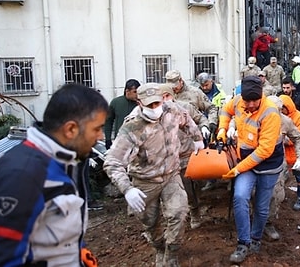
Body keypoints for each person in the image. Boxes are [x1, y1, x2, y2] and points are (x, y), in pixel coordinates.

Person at [0, 84, 108, 266]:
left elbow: (51, 232)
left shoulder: (59, 162)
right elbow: (1, 259)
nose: (101, 136)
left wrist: (78, 253)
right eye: (97, 128)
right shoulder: (23, 175)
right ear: (70, 130)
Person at [104, 83, 204, 267]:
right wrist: (127, 189)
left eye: (157, 103)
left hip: (171, 175)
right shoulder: (132, 127)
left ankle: (171, 253)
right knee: (150, 223)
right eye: (149, 105)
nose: (154, 108)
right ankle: (159, 247)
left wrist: (197, 138)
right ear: (139, 102)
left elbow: (186, 119)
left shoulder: (172, 110)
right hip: (145, 181)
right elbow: (112, 161)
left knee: (179, 213)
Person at [216, 76, 283, 263]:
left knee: (261, 208)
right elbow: (225, 110)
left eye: (256, 100)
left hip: (268, 164)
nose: (252, 104)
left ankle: (256, 238)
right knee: (240, 196)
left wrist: (237, 169)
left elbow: (264, 151)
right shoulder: (238, 101)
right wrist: (222, 129)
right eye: (248, 101)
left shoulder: (270, 113)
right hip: (245, 160)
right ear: (242, 97)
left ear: (261, 96)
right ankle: (243, 242)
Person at [264, 95, 300, 241]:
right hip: (256, 162)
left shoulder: (285, 121)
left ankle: (268, 222)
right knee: (254, 193)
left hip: (277, 163)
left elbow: (298, 137)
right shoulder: (257, 117)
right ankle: (255, 220)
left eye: (278, 110)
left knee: (276, 195)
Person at [279, 94, 300, 211]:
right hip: (284, 154)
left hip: (297, 153)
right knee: (282, 176)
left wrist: (283, 139)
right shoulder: (280, 117)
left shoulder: (299, 118)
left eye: (283, 109)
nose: (281, 111)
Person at [104, 78, 140, 149]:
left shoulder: (141, 104)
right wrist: (108, 139)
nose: (137, 94)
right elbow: (108, 121)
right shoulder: (116, 102)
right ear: (127, 91)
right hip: (120, 141)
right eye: (135, 92)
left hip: (138, 141)